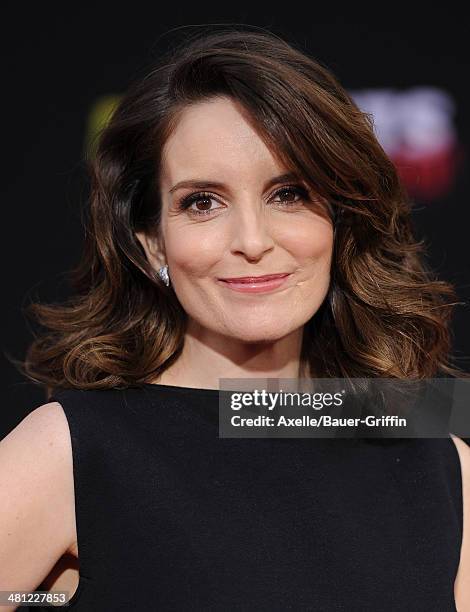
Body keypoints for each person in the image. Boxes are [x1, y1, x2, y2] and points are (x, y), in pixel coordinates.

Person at [1, 26, 469, 610]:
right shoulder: (74, 448)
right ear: (152, 243)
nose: (252, 240)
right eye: (202, 202)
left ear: (339, 222)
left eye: (289, 194)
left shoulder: (439, 457)